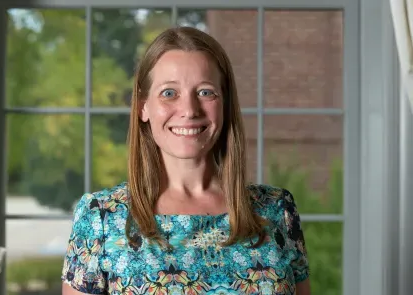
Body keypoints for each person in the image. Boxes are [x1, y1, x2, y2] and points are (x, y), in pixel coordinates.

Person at [61, 26, 311, 295]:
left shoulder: (277, 210)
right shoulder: (100, 218)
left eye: (205, 92)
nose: (190, 110)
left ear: (225, 104)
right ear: (143, 106)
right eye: (169, 93)